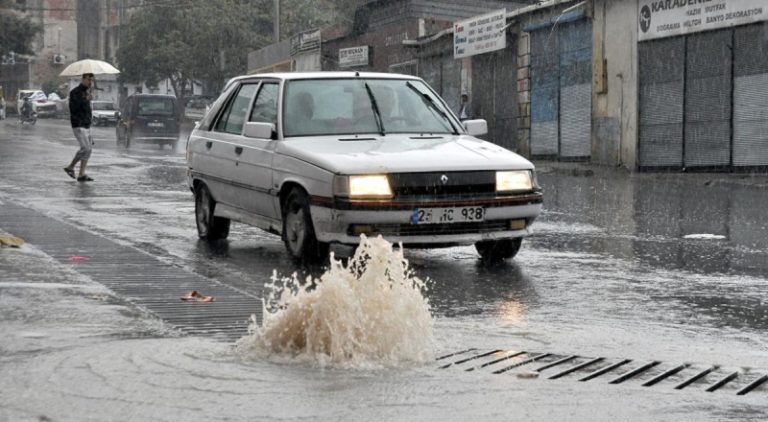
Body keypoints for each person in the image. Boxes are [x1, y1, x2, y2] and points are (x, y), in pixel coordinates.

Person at [64, 74, 95, 182]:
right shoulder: (75, 92)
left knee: (88, 150)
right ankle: (70, 167)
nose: (90, 82)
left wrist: (88, 98)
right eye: (89, 79)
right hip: (78, 123)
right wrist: (86, 99)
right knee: (85, 148)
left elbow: (87, 109)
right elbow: (75, 107)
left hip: (87, 124)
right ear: (83, 79)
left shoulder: (87, 92)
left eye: (92, 80)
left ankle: (81, 174)